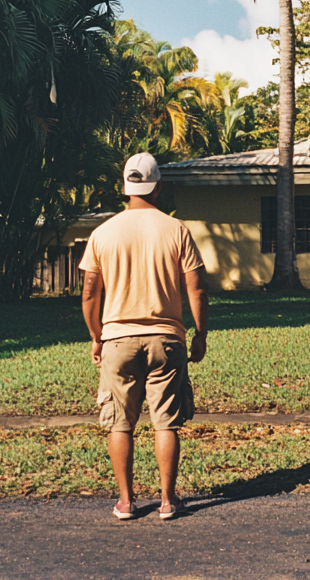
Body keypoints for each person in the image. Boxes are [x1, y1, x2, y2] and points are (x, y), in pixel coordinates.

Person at [80, 152, 209, 520]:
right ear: (159, 187)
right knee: (165, 421)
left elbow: (90, 292)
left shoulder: (103, 233)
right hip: (167, 339)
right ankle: (168, 501)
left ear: (125, 186)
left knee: (120, 421)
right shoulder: (176, 229)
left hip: (118, 340)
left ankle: (125, 501)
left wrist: (96, 336)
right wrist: (199, 334)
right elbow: (197, 288)